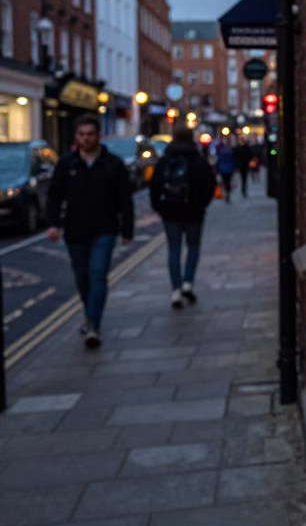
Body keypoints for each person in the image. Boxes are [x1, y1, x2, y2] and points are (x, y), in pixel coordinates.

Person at [46, 113, 134, 349]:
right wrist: (52, 224)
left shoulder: (113, 164)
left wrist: (127, 229)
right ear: (76, 136)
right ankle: (90, 315)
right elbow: (54, 196)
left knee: (97, 274)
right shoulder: (67, 164)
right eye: (82, 134)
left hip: (104, 229)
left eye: (90, 134)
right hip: (75, 231)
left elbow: (125, 199)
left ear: (98, 135)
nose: (86, 139)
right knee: (82, 278)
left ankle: (93, 324)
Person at [149, 127, 216, 308]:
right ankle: (188, 282)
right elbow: (210, 184)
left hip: (170, 213)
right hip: (194, 212)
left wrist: (159, 208)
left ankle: (176, 291)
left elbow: (154, 186)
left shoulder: (164, 161)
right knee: (193, 247)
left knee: (174, 250)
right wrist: (202, 205)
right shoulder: (199, 160)